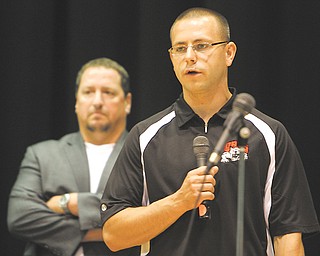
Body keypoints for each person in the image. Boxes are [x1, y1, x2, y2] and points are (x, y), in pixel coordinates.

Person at [100, 7, 320, 256]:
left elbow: (288, 235)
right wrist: (180, 201)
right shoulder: (145, 136)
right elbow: (113, 235)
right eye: (180, 48)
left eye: (202, 46)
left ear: (229, 53)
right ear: (171, 58)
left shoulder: (268, 134)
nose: (190, 57)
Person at [7, 57, 132, 256]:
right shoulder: (42, 154)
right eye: (88, 92)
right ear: (76, 101)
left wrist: (70, 203)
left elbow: (151, 210)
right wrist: (101, 232)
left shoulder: (144, 153)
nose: (97, 101)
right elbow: (20, 216)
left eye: (108, 92)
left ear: (127, 102)